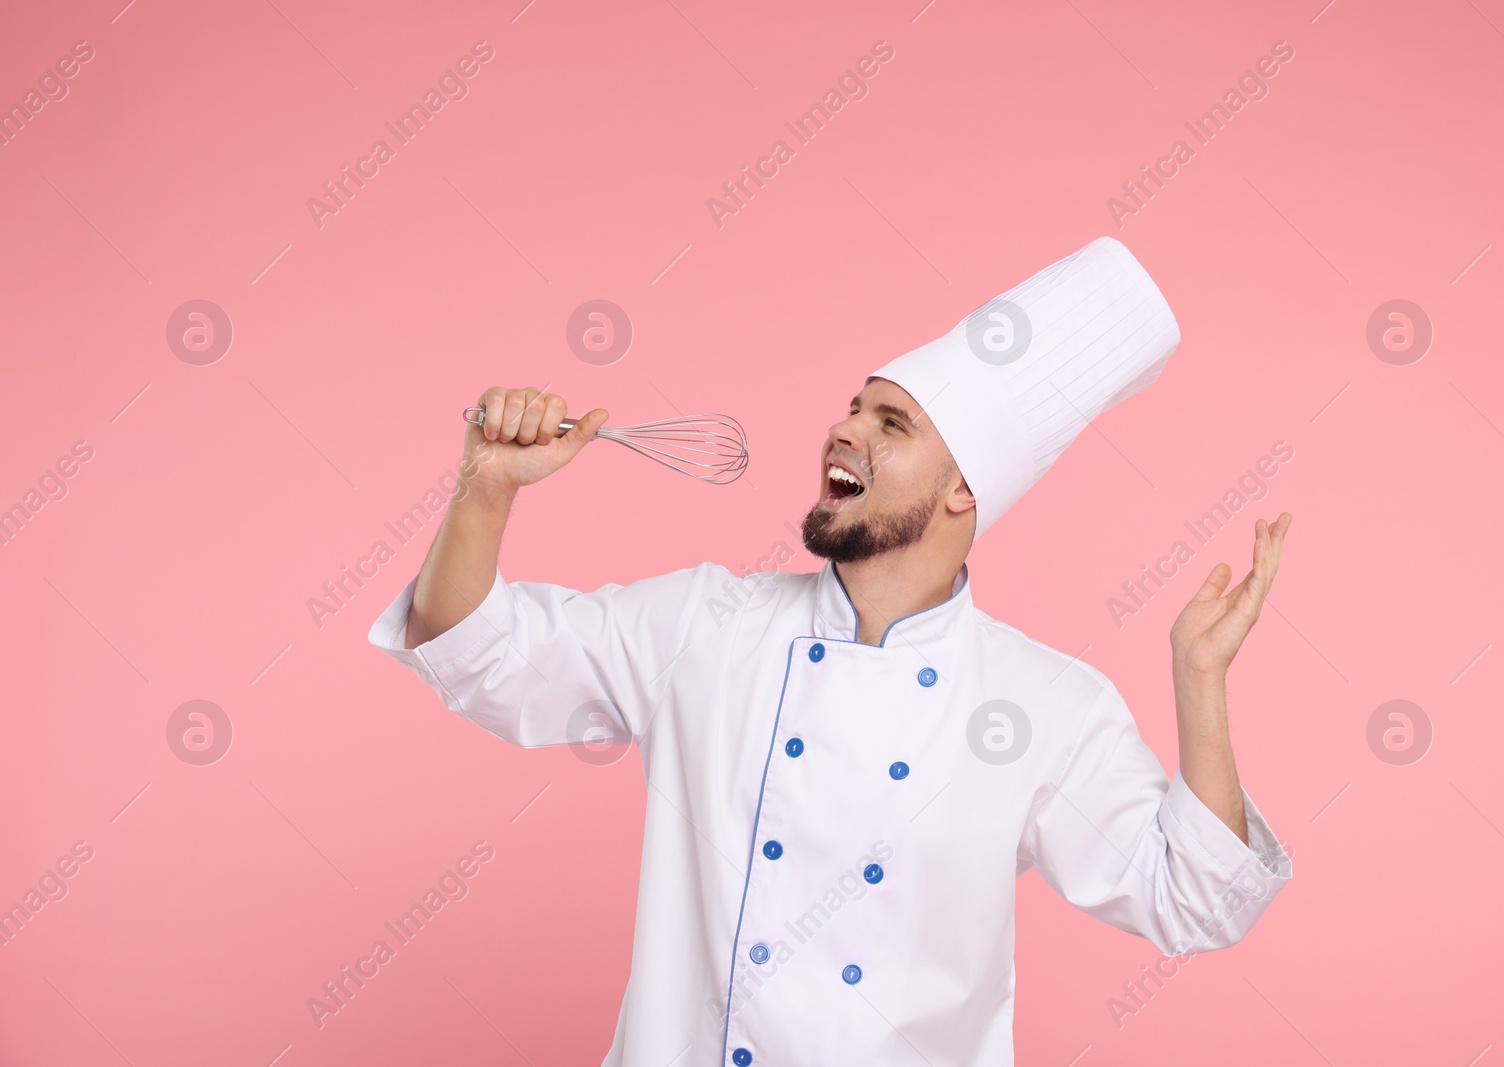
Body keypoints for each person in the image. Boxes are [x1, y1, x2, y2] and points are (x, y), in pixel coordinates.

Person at [369, 236, 1294, 1066]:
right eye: (854, 407)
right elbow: (476, 653)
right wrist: (485, 488)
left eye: (891, 424)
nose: (842, 429)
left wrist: (1200, 683)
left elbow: (1193, 899)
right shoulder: (704, 626)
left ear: (963, 491)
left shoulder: (1043, 705)